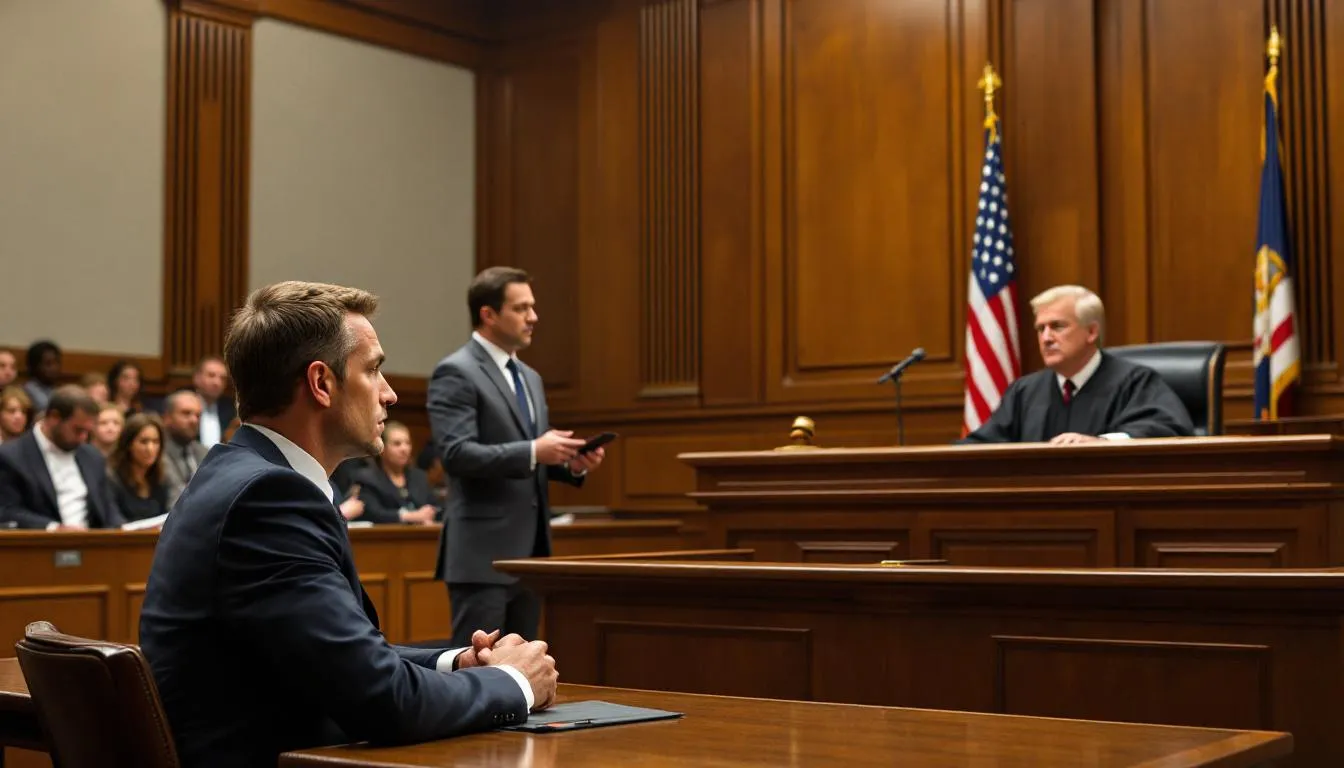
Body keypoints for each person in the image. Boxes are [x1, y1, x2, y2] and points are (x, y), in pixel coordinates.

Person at [139, 281, 555, 768]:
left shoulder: (239, 475)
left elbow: (340, 657)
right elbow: (384, 702)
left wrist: (459, 662)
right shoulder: (269, 500)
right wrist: (513, 682)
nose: (390, 394)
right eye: (373, 369)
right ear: (321, 383)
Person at [428, 266, 605, 646]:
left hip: (531, 555)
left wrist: (568, 464)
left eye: (532, 307)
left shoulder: (530, 377)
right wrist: (534, 450)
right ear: (488, 314)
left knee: (525, 667)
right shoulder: (456, 371)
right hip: (483, 557)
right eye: (521, 308)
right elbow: (457, 454)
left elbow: (528, 459)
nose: (533, 317)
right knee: (481, 664)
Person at [961, 285, 1194, 444]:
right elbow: (983, 444)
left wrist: (1102, 442)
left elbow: (1168, 429)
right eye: (1040, 329)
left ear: (1091, 332)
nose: (1046, 338)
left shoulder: (1134, 382)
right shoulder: (1024, 391)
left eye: (1057, 326)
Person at [0, 385, 124, 530]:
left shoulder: (92, 456)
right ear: (54, 418)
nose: (83, 438)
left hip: (92, 539)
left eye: (87, 432)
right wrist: (55, 528)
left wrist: (126, 530)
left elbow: (109, 510)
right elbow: (8, 511)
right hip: (43, 540)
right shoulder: (11, 457)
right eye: (78, 430)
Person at [353, 421, 439, 524]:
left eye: (408, 443)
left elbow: (436, 507)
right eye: (397, 444)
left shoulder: (419, 476)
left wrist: (430, 513)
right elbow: (372, 513)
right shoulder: (368, 478)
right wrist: (409, 516)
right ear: (382, 449)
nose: (404, 449)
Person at [106, 412, 169, 523]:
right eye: (144, 442)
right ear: (128, 444)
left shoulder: (161, 479)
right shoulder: (111, 479)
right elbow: (113, 520)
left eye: (155, 442)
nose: (150, 448)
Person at [159, 389, 207, 508]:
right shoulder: (155, 454)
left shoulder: (205, 453)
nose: (194, 420)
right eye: (186, 413)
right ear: (167, 417)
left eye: (198, 415)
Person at [192, 355, 234, 448]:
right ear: (197, 378)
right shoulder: (184, 406)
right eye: (211, 375)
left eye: (222, 378)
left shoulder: (231, 411)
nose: (217, 382)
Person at [23, 340, 61, 416]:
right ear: (35, 366)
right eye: (48, 364)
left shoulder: (58, 390)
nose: (54, 368)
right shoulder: (27, 390)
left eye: (56, 362)